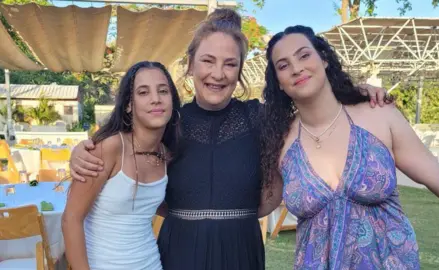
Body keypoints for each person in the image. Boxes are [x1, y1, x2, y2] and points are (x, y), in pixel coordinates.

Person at [66, 9, 387, 270]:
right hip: (178, 252)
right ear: (191, 64)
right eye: (208, 61)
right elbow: (126, 144)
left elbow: (315, 111)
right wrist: (82, 150)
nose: (218, 74)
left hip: (241, 251)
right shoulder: (168, 121)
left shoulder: (262, 118)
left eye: (230, 64)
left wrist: (356, 95)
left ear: (239, 71)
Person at [260, 25, 439, 270]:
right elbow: (262, 204)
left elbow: (434, 174)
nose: (296, 68)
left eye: (304, 55)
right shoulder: (280, 143)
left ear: (323, 59)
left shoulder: (377, 113)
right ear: (278, 82)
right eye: (283, 65)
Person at [62, 61, 181, 270]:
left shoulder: (166, 155)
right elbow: (71, 220)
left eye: (163, 91)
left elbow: (153, 206)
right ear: (128, 104)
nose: (156, 99)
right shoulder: (109, 149)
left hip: (150, 264)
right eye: (143, 92)